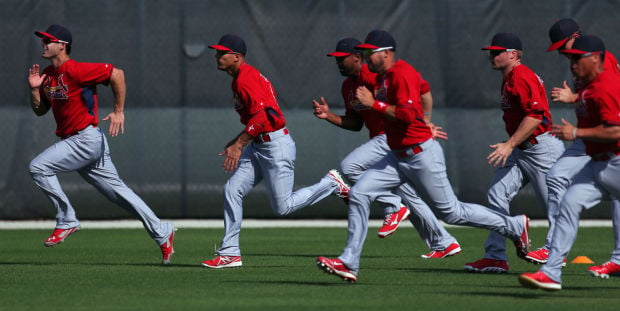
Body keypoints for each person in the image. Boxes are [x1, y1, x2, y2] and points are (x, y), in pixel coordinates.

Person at [315, 30, 530, 283]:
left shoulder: (401, 74)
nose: (366, 57)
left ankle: (514, 226)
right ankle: (349, 262)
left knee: (452, 213)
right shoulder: (382, 77)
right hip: (397, 156)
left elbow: (406, 114)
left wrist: (377, 105)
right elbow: (426, 92)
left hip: (420, 154)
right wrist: (426, 120)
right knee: (360, 193)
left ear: (386, 53)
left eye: (369, 52)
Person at [27, 24, 175, 265]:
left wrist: (119, 111)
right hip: (80, 142)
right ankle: (162, 231)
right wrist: (35, 90)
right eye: (43, 40)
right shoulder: (48, 74)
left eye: (48, 40)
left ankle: (66, 220)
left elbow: (117, 74)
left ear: (62, 46)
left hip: (85, 138)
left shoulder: (76, 69)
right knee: (119, 195)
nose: (43, 44)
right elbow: (41, 110)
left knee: (38, 167)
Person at [201, 34, 350, 269]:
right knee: (232, 190)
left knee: (283, 207)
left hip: (274, 145)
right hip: (260, 143)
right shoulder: (241, 78)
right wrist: (236, 141)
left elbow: (263, 117)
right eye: (217, 52)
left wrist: (239, 144)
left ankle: (331, 184)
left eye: (222, 53)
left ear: (237, 57)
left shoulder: (245, 79)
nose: (217, 56)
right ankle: (230, 253)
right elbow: (258, 117)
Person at [312, 37, 461, 258]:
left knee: (350, 167)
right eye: (336, 59)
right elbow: (355, 124)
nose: (338, 63)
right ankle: (443, 241)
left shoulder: (373, 76)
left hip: (389, 137)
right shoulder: (348, 87)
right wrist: (329, 116)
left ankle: (393, 205)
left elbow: (418, 94)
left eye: (341, 59)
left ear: (356, 58)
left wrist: (425, 122)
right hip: (384, 141)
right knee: (408, 196)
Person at [519, 35, 620, 290]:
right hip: (597, 165)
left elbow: (616, 131)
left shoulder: (606, 86)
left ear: (595, 58)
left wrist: (577, 134)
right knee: (568, 204)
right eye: (570, 58)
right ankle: (551, 272)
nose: (572, 63)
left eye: (577, 58)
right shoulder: (588, 85)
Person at [464, 32, 564, 273]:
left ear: (513, 54)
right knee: (497, 194)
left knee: (554, 205)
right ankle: (496, 256)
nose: (492, 55)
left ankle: (554, 252)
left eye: (497, 51)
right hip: (522, 148)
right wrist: (512, 143)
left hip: (541, 148)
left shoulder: (521, 76)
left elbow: (535, 115)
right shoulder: (510, 77)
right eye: (491, 51)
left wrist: (509, 144)